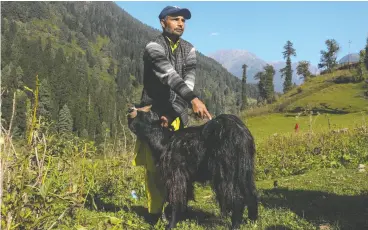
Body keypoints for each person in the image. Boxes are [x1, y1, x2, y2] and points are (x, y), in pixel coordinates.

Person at [132, 5, 212, 224]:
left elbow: (188, 81)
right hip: (151, 116)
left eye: (183, 20)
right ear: (162, 22)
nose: (180, 24)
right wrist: (193, 99)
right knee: (153, 167)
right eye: (175, 19)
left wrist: (173, 111)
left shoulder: (190, 50)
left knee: (177, 166)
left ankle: (176, 208)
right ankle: (154, 212)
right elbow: (169, 75)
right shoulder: (153, 47)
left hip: (177, 115)